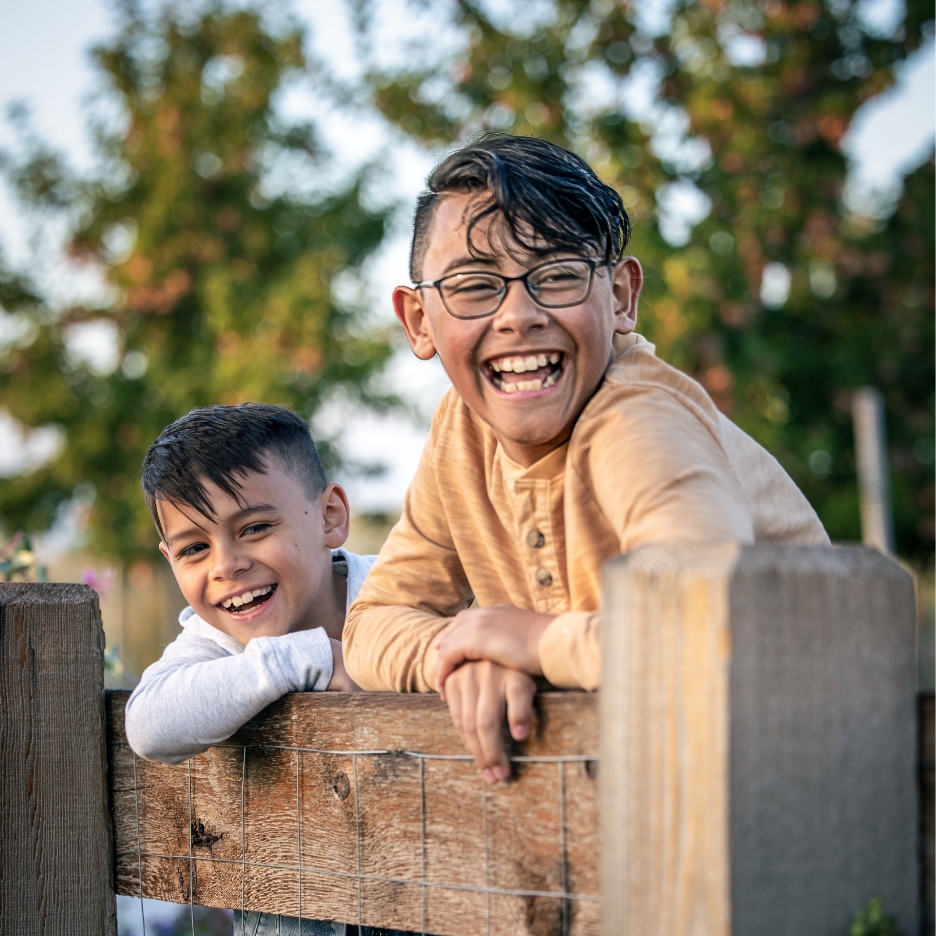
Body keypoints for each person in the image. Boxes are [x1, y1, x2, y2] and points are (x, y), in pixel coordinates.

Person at [343, 134, 829, 786]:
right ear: (418, 321)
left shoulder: (638, 418)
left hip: (793, 787)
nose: (519, 315)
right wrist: (463, 656)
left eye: (559, 276)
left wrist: (537, 643)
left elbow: (707, 616)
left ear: (622, 297)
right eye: (473, 286)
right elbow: (372, 624)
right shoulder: (462, 432)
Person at [125, 402, 411, 936]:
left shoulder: (401, 598)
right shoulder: (217, 639)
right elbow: (148, 723)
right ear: (169, 560)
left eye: (254, 527)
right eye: (194, 548)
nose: (225, 565)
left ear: (331, 517)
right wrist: (313, 657)